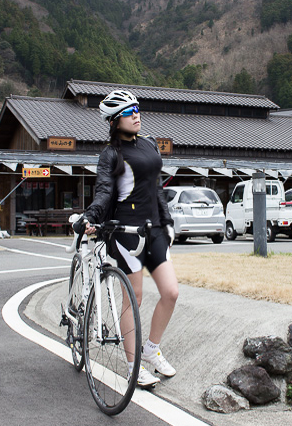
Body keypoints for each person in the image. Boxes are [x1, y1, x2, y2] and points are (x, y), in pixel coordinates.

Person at [83, 89, 179, 388]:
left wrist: (168, 221)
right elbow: (104, 191)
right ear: (114, 121)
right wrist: (92, 217)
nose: (135, 114)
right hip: (126, 233)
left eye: (136, 108)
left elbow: (157, 187)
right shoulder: (111, 154)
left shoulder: (150, 145)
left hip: (154, 230)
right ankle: (132, 365)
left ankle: (150, 349)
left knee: (171, 292)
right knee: (133, 299)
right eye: (127, 111)